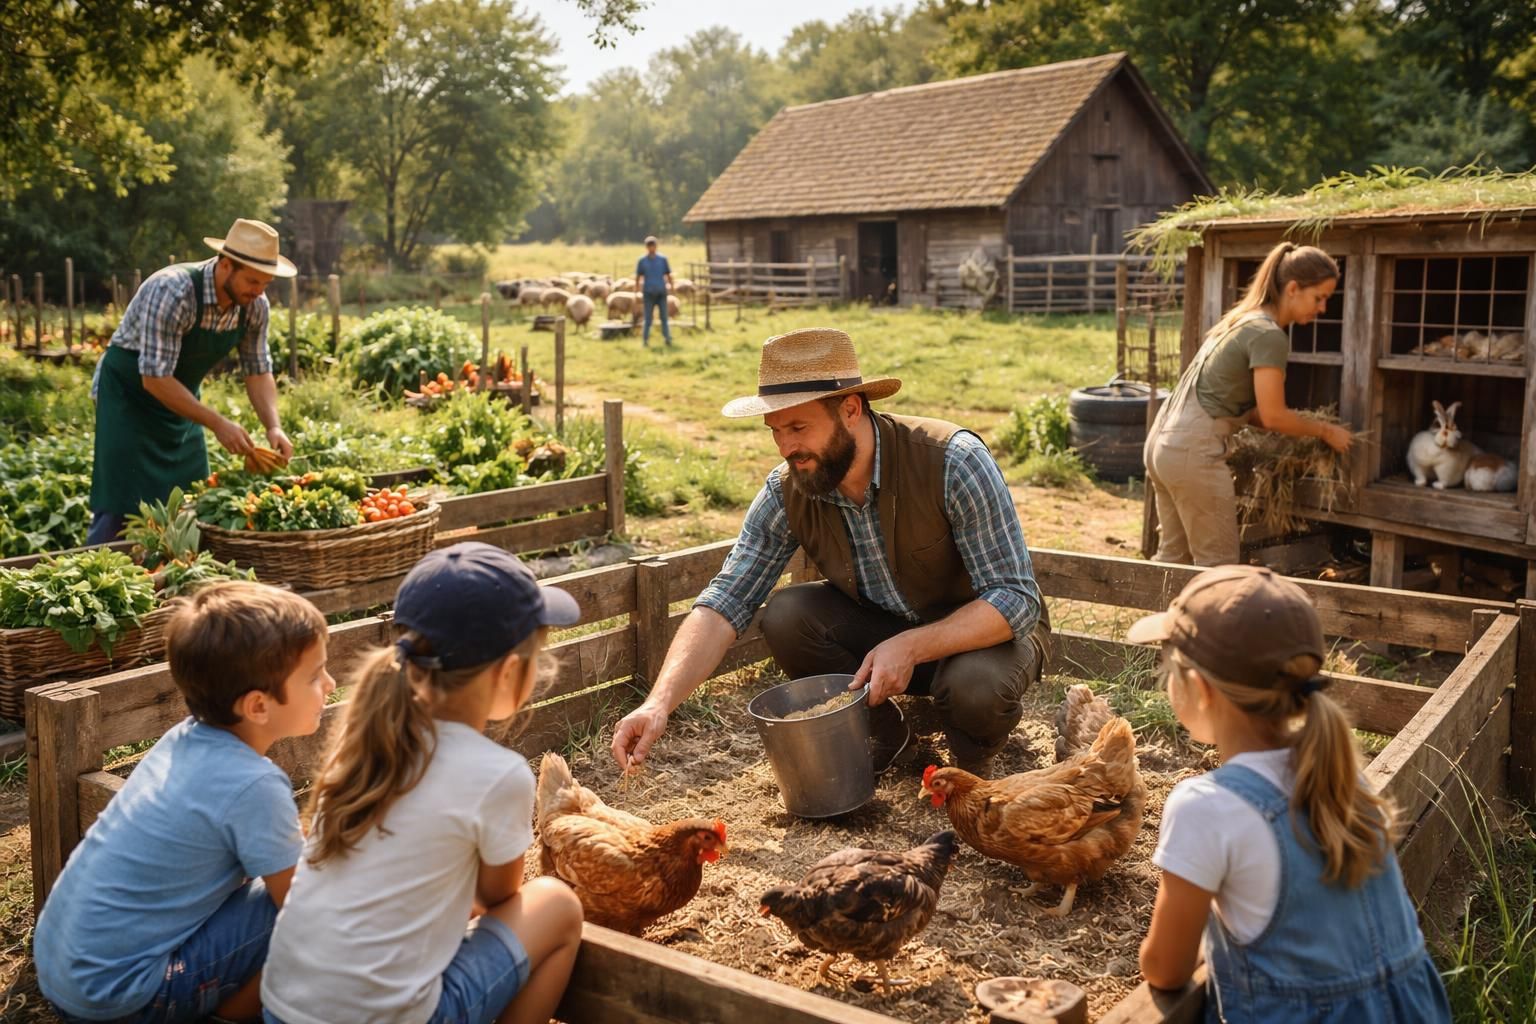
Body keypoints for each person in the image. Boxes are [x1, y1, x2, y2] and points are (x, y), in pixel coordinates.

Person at [612, 327, 1050, 779]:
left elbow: (1014, 599)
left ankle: (973, 760)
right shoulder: (790, 487)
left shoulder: (952, 460)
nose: (787, 447)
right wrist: (657, 704)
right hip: (885, 640)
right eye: (775, 431)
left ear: (850, 410)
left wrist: (911, 645)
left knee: (974, 689)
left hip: (983, 640)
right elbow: (726, 600)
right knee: (786, 615)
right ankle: (884, 733)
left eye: (799, 427)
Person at [260, 543, 584, 1024]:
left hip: (281, 1010)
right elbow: (498, 897)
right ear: (510, 671)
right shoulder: (500, 776)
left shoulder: (364, 746)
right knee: (558, 905)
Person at [1131, 565, 1451, 1023]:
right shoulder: (1341, 775)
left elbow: (1164, 968)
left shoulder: (1206, 806)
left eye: (1169, 667)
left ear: (1200, 689)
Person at [34, 582, 332, 1024]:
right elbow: (298, 901)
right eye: (315, 675)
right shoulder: (254, 785)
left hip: (65, 974)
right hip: (125, 1000)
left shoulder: (183, 739)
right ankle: (232, 1015)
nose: (329, 684)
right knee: (315, 902)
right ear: (257, 706)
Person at [1143, 241, 1354, 567]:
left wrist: (1294, 421)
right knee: (1219, 567)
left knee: (1174, 560)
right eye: (1320, 297)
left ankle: (1155, 620)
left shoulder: (1240, 320)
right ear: (1294, 289)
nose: (1323, 308)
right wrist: (1325, 430)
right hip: (1192, 452)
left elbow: (1246, 410)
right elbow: (1272, 417)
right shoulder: (1268, 334)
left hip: (1164, 444)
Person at [88, 218, 298, 544]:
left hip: (181, 402)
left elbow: (257, 369)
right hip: (129, 398)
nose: (259, 291)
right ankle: (99, 576)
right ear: (226, 265)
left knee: (191, 503)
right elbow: (155, 378)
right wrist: (217, 423)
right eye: (253, 281)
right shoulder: (173, 290)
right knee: (122, 505)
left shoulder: (254, 306)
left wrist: (273, 426)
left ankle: (176, 583)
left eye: (266, 284)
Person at [635, 234, 673, 347]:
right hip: (648, 293)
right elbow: (638, 277)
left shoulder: (662, 259)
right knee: (648, 318)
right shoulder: (642, 261)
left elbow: (668, 274)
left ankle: (667, 339)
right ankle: (645, 340)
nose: (651, 248)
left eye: (653, 246)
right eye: (649, 246)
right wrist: (636, 291)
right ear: (646, 247)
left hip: (661, 291)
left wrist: (672, 287)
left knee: (664, 317)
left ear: (656, 246)